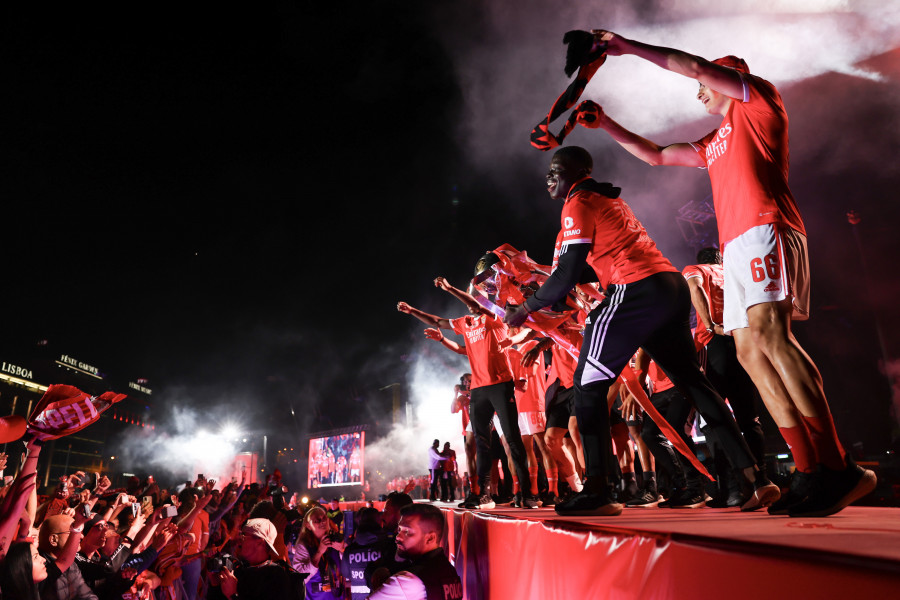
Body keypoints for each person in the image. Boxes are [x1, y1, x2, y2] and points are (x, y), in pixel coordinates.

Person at [581, 29, 876, 517]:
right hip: (735, 245)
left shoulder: (758, 100)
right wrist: (607, 123)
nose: (698, 90)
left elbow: (695, 68)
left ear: (731, 76)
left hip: (767, 227)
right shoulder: (715, 139)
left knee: (771, 338)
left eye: (709, 79)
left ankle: (839, 466)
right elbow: (656, 155)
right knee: (748, 352)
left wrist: (626, 46)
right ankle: (808, 471)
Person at [505, 145, 777, 516]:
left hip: (634, 290)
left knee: (586, 389)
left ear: (577, 172)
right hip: (669, 285)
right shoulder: (609, 200)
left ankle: (598, 491)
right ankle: (756, 478)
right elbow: (584, 268)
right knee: (694, 383)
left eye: (556, 170)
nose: (549, 178)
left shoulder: (578, 202)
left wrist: (524, 307)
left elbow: (566, 276)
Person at [397, 275, 539, 510]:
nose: (472, 302)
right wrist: (414, 312)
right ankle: (483, 494)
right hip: (479, 390)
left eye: (475, 298)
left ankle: (527, 494)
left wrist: (450, 288)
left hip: (501, 385)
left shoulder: (494, 318)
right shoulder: (465, 323)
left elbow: (475, 305)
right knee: (481, 444)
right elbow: (438, 322)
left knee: (513, 440)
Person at [684, 247, 768, 507]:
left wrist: (709, 325)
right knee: (748, 418)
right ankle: (761, 481)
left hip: (715, 343)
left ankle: (731, 489)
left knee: (714, 418)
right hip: (743, 343)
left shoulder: (695, 270)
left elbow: (696, 289)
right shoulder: (734, 273)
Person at [368, 504, 462, 600]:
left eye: (407, 532)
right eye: (399, 529)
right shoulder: (450, 572)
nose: (398, 537)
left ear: (430, 538)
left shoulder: (407, 581)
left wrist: (381, 587)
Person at [211, 518, 304, 600]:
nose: (239, 540)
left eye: (244, 536)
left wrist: (233, 594)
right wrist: (214, 582)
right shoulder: (240, 569)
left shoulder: (276, 577)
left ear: (260, 542)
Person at [287, 506, 346, 599]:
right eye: (317, 520)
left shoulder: (335, 539)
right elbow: (300, 578)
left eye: (324, 518)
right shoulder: (303, 545)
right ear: (308, 526)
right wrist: (319, 552)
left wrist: (342, 550)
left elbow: (348, 569)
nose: (322, 522)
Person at [340, 507, 397, 600]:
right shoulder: (388, 546)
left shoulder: (349, 550)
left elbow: (346, 575)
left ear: (361, 521)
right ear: (379, 522)